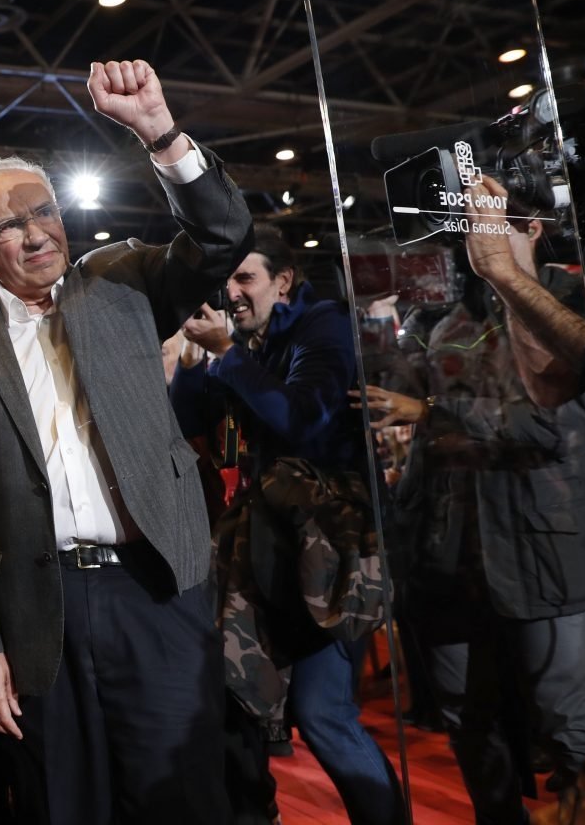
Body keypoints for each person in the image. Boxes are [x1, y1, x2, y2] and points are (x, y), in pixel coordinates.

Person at [0, 59, 250, 823]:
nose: (36, 235)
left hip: (154, 589)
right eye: (9, 225)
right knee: (62, 802)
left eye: (44, 212)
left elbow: (224, 232)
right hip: (39, 609)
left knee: (182, 795)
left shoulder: (123, 280)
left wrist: (158, 133)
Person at [355, 192, 585, 823]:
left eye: (486, 220)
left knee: (567, 718)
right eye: (463, 223)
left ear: (529, 226)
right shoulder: (443, 317)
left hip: (545, 548)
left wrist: (438, 413)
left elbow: (563, 429)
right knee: (468, 722)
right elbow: (405, 421)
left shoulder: (573, 304)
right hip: (449, 553)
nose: (471, 238)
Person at [172, 224, 405, 825]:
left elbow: (304, 419)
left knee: (324, 711)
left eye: (244, 278)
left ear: (283, 280)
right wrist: (198, 357)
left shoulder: (321, 324)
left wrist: (227, 356)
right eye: (224, 282)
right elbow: (185, 416)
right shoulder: (245, 339)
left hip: (332, 551)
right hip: (272, 546)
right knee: (251, 704)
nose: (232, 292)